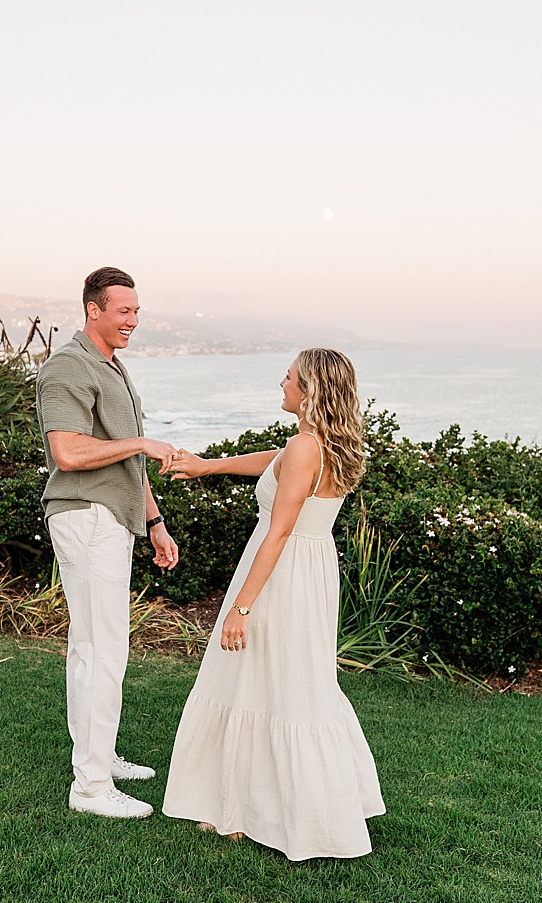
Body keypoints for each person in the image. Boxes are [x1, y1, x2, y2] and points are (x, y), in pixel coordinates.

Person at [160, 348, 385, 859]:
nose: (280, 382)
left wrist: (240, 608)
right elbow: (275, 462)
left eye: (288, 377)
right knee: (285, 685)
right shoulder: (323, 444)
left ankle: (254, 812)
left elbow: (279, 532)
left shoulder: (307, 446)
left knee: (262, 681)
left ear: (308, 389)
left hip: (279, 575)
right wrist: (206, 467)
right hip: (309, 573)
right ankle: (253, 807)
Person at [36, 266, 182, 819]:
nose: (133, 321)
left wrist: (156, 523)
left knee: (91, 648)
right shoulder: (68, 368)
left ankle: (100, 757)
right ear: (93, 309)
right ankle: (92, 788)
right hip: (86, 516)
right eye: (124, 311)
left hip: (112, 517)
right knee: (102, 650)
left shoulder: (111, 367)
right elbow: (68, 453)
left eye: (137, 311)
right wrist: (141, 440)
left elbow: (127, 463)